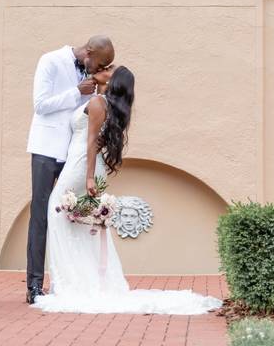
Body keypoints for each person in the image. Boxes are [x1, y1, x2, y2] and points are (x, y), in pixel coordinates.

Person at [33, 66, 222, 314]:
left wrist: (89, 177)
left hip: (82, 166)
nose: (104, 69)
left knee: (58, 214)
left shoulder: (99, 103)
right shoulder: (101, 102)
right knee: (80, 224)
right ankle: (83, 281)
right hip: (84, 164)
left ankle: (71, 284)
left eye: (110, 69)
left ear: (113, 81)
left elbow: (90, 141)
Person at [26, 36, 115, 304]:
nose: (96, 70)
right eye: (98, 64)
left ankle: (68, 281)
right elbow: (40, 105)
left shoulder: (91, 78)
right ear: (88, 53)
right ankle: (34, 285)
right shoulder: (50, 60)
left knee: (71, 217)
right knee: (41, 214)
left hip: (72, 154)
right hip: (46, 148)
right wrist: (77, 92)